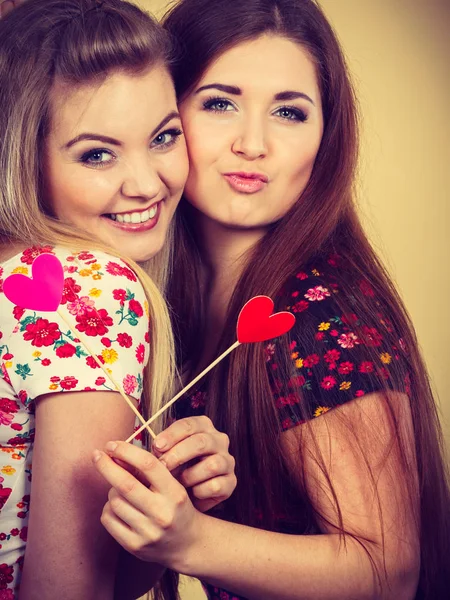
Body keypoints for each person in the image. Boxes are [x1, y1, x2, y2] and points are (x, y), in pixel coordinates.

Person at [93, 0, 450, 599]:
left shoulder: (318, 313)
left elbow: (388, 572)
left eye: (288, 111)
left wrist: (192, 540)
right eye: (219, 103)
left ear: (324, 134)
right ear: (163, 118)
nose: (253, 144)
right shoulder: (155, 300)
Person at [0, 1, 236, 598]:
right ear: (26, 158)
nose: (146, 183)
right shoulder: (91, 286)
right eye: (97, 153)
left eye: (163, 137)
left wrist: (166, 509)